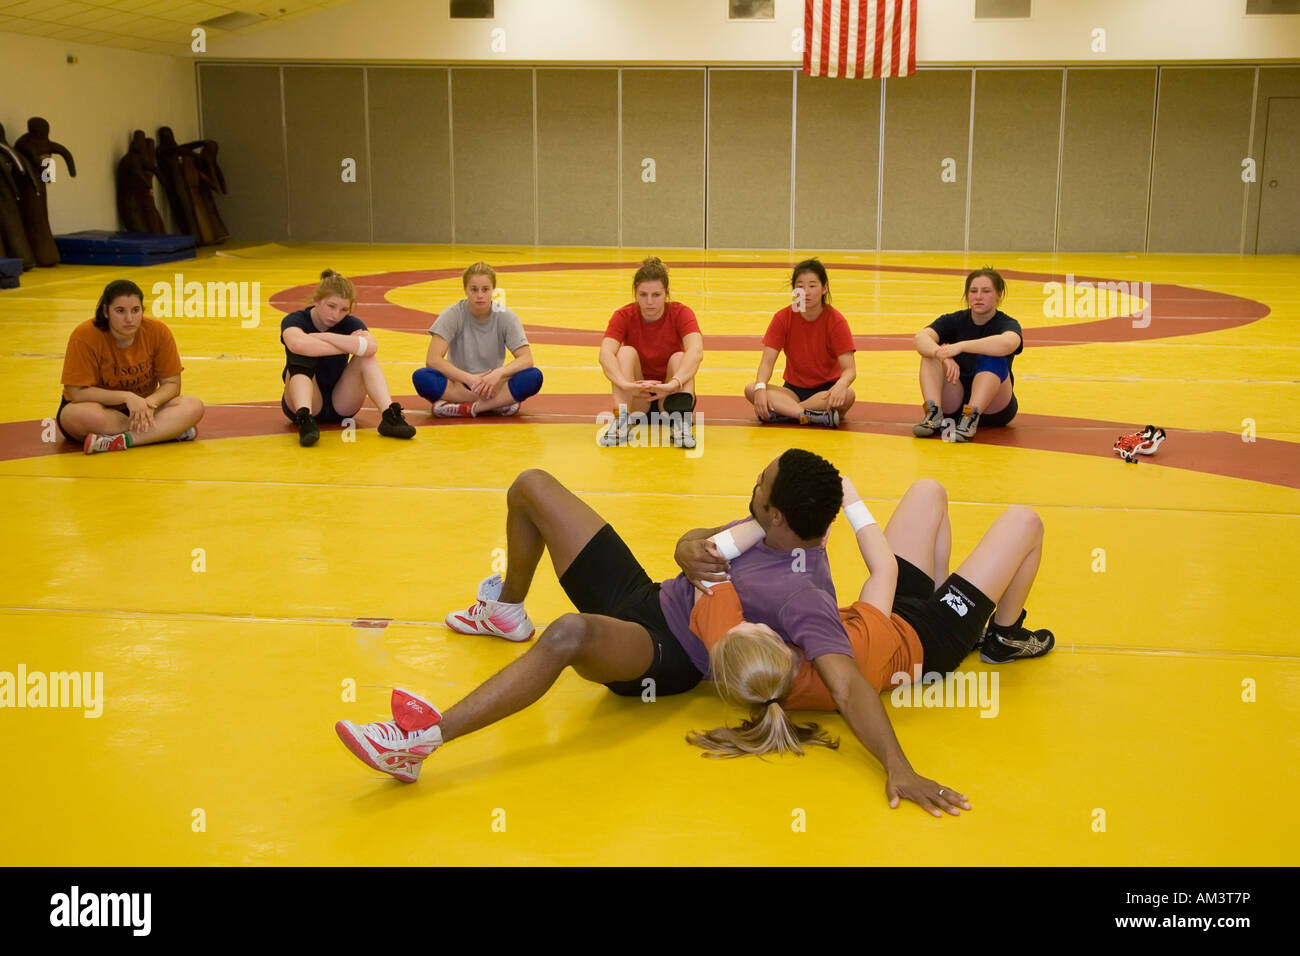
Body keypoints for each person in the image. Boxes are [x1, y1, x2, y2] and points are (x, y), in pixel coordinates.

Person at [333, 451, 968, 816]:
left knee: (567, 635)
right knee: (532, 487)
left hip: (666, 650)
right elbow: (694, 545)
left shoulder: (806, 596)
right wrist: (686, 546)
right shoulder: (768, 526)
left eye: (760, 483)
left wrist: (900, 767)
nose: (753, 481)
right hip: (646, 596)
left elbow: (849, 685)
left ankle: (420, 741)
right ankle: (504, 610)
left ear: (776, 512)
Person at [686, 476, 1055, 782]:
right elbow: (885, 571)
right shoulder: (850, 652)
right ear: (784, 648)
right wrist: (850, 501)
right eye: (758, 626)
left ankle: (950, 598)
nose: (755, 621)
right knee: (1025, 522)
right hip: (928, 639)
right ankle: (1004, 636)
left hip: (881, 611)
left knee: (929, 492)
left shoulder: (743, 659)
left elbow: (711, 556)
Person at [57, 279, 205, 454]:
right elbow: (77, 392)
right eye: (120, 311)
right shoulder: (84, 335)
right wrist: (127, 397)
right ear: (106, 311)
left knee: (193, 406)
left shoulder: (157, 331)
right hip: (100, 409)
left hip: (144, 410)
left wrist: (149, 403)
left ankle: (124, 440)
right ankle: (167, 432)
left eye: (135, 310)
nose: (129, 319)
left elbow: (172, 384)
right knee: (76, 416)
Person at [280, 269, 416, 446]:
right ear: (317, 301)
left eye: (344, 309)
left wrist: (325, 337)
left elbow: (371, 347)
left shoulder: (349, 323)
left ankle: (390, 416)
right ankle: (305, 420)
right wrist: (349, 344)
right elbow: (298, 345)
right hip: (305, 402)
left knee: (366, 358)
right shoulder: (296, 320)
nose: (336, 315)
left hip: (341, 403)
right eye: (331, 306)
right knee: (301, 355)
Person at [412, 261, 543, 418]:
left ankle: (471, 408)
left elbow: (526, 359)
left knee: (534, 376)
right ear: (465, 290)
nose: (480, 295)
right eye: (474, 289)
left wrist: (498, 374)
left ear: (493, 290)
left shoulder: (506, 316)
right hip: (459, 384)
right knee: (421, 377)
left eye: (485, 289)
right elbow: (433, 360)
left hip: (494, 384)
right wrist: (469, 379)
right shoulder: (453, 314)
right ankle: (498, 404)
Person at [598, 256, 703, 449]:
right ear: (635, 294)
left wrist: (673, 384)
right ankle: (621, 420)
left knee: (682, 357)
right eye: (643, 295)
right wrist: (625, 384)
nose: (649, 302)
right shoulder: (623, 315)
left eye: (656, 295)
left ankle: (680, 424)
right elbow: (605, 352)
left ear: (666, 294)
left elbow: (696, 351)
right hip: (638, 397)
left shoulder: (681, 313)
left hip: (670, 397)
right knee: (624, 352)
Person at [912, 267, 1023, 442]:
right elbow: (920, 338)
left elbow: (1008, 343)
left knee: (993, 355)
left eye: (986, 291)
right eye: (973, 291)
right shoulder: (954, 320)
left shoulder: (1006, 323)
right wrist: (942, 355)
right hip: (955, 401)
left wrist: (961, 346)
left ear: (998, 294)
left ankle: (970, 418)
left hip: (995, 407)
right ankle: (934, 414)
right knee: (930, 353)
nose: (978, 296)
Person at [744, 259, 856, 428]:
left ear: (824, 288)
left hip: (825, 391)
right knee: (751, 389)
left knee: (848, 395)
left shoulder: (836, 321)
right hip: (792, 391)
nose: (806, 292)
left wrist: (841, 385)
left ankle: (786, 413)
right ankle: (809, 416)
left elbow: (850, 369)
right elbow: (766, 363)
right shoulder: (783, 318)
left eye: (812, 286)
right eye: (800, 286)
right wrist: (760, 388)